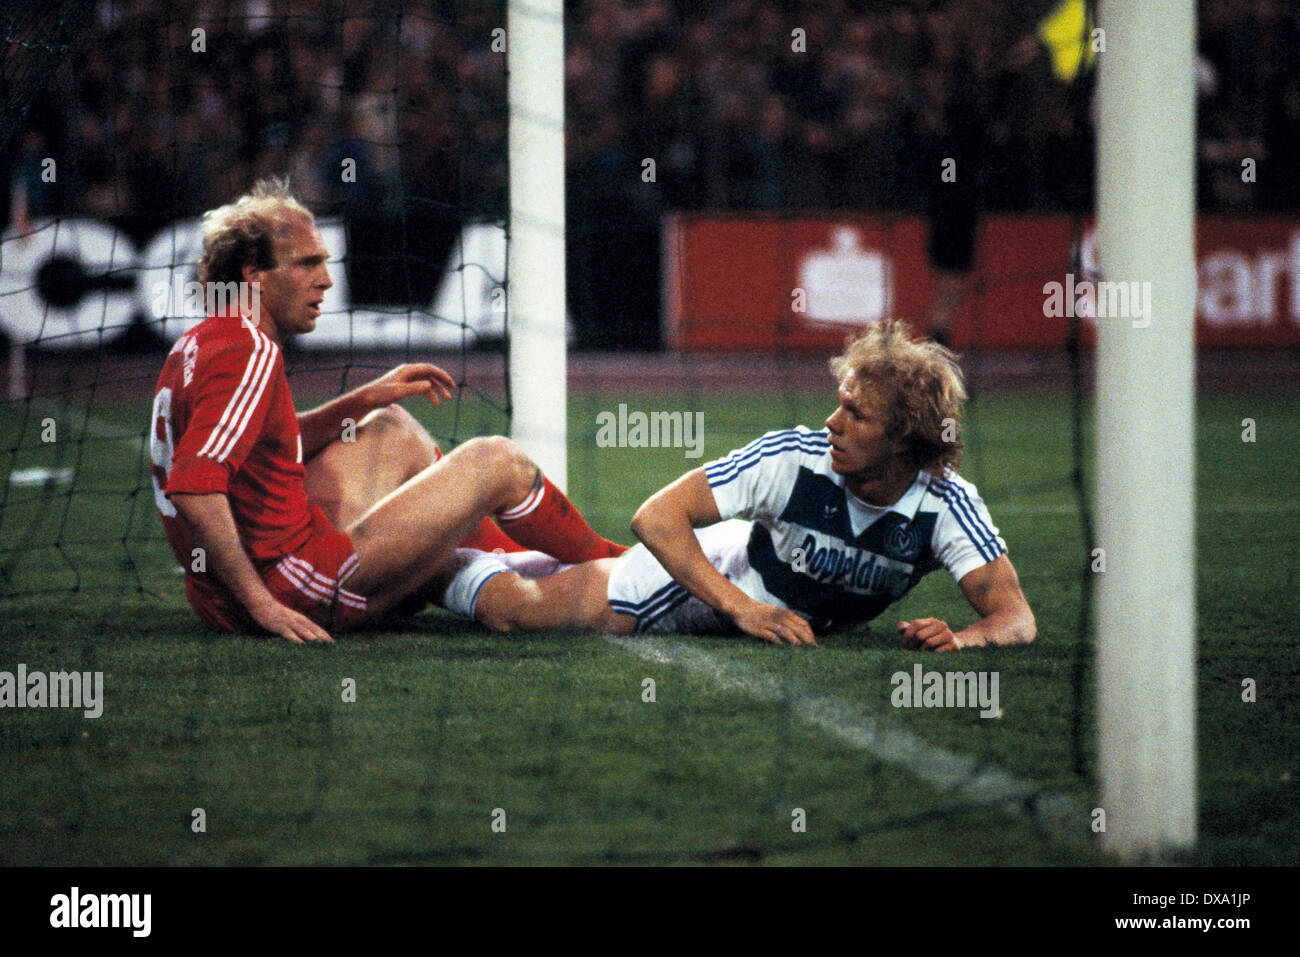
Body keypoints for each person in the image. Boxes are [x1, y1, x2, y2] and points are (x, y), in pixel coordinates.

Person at [151, 178, 624, 645]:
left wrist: (367, 399)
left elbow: (263, 445)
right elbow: (195, 485)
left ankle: (483, 564)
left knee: (389, 428)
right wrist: (261, 604)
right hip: (293, 585)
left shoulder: (197, 342)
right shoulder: (250, 350)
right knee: (498, 461)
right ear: (254, 275)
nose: (326, 280)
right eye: (308, 263)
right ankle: (616, 563)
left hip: (218, 595)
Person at [433, 319, 1036, 651]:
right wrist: (743, 607)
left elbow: (1015, 617)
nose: (833, 421)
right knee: (514, 612)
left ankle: (495, 556)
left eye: (857, 414)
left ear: (904, 440)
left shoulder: (946, 505)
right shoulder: (797, 459)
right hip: (716, 578)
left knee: (565, 574)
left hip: (761, 604)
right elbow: (656, 516)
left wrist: (963, 639)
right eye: (839, 404)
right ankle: (429, 561)